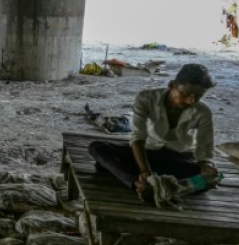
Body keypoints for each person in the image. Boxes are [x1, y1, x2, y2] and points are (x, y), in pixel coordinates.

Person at [89, 63, 219, 200]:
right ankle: (140, 184)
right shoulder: (146, 98)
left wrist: (206, 167)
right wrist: (146, 171)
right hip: (147, 154)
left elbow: (205, 148)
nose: (191, 101)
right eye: (185, 94)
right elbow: (138, 136)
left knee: (206, 179)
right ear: (172, 85)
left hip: (179, 160)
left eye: (198, 96)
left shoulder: (203, 112)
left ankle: (150, 185)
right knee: (97, 147)